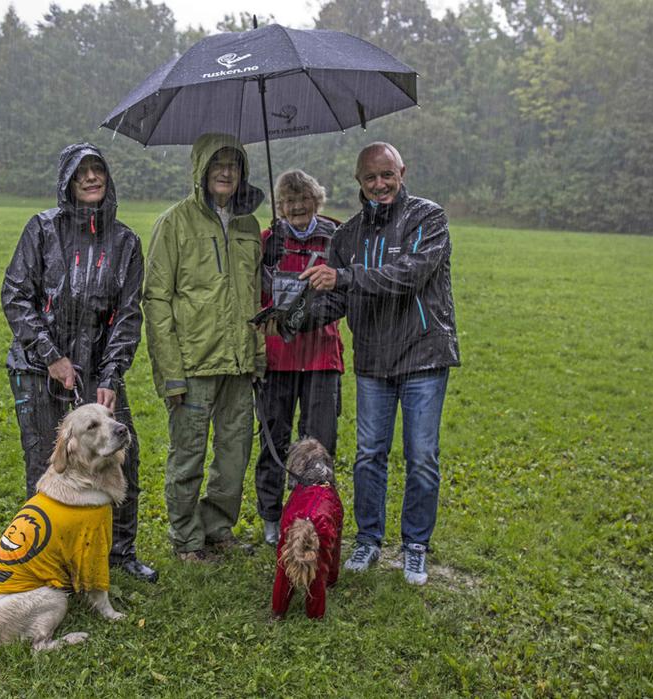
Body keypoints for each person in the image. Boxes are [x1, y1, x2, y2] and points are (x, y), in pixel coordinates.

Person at [298, 142, 460, 585]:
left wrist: (346, 277)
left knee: (422, 456)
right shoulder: (347, 236)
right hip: (374, 361)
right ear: (359, 182)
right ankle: (369, 539)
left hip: (424, 354)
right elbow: (333, 299)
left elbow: (408, 274)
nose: (380, 184)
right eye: (370, 178)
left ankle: (415, 547)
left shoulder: (429, 218)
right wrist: (290, 315)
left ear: (401, 171)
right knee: (369, 455)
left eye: (387, 175)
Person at [1, 142, 158, 583]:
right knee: (47, 464)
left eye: (98, 170)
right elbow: (15, 296)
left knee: (125, 453)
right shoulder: (42, 230)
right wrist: (51, 356)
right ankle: (48, 556)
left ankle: (119, 554)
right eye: (81, 172)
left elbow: (128, 316)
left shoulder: (126, 242)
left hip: (97, 368)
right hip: (36, 369)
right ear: (67, 181)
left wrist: (111, 374)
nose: (91, 178)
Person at [143, 132, 266, 563]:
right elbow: (156, 299)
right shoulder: (174, 223)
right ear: (200, 169)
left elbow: (254, 295)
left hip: (239, 362)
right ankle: (187, 539)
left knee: (234, 457)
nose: (226, 171)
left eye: (234, 164)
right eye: (218, 163)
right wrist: (169, 372)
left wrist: (258, 355)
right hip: (192, 365)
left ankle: (217, 526)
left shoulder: (250, 225)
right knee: (188, 456)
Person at [255, 169, 345, 546]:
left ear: (316, 200)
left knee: (319, 443)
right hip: (278, 359)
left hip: (322, 356)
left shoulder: (336, 237)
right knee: (273, 440)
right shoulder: (268, 240)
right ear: (280, 205)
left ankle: (310, 512)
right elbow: (256, 294)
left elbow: (343, 291)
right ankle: (272, 517)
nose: (296, 206)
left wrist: (304, 317)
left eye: (303, 199)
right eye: (288, 201)